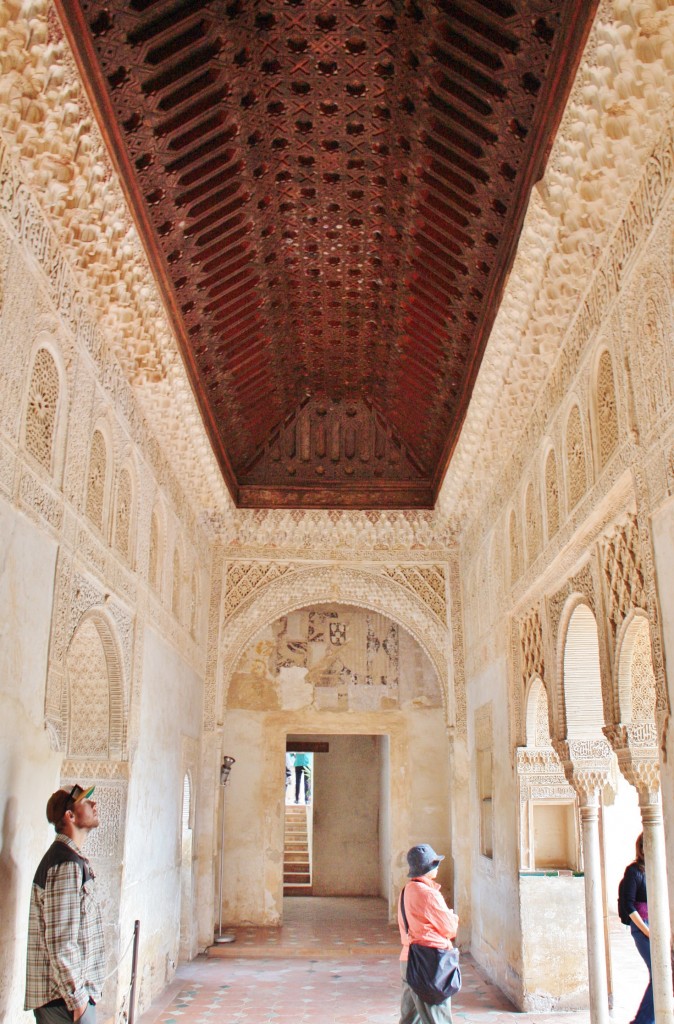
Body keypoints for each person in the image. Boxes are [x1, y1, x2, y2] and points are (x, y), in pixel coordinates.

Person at [25, 784, 105, 1023]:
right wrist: (78, 1001)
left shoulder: (71, 859)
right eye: (85, 802)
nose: (94, 805)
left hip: (67, 1000)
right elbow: (62, 942)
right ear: (70, 815)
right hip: (64, 1002)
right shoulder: (65, 864)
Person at [398, 843, 459, 1024]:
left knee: (410, 1019)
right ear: (430, 866)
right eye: (436, 863)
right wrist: (452, 916)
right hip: (429, 961)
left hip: (408, 959)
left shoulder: (406, 890)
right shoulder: (428, 894)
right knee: (438, 1018)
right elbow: (450, 928)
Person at [622, 833, 653, 1024]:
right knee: (660, 973)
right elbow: (629, 904)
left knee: (663, 974)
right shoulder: (634, 871)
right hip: (642, 927)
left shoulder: (657, 869)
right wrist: (646, 930)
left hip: (658, 926)